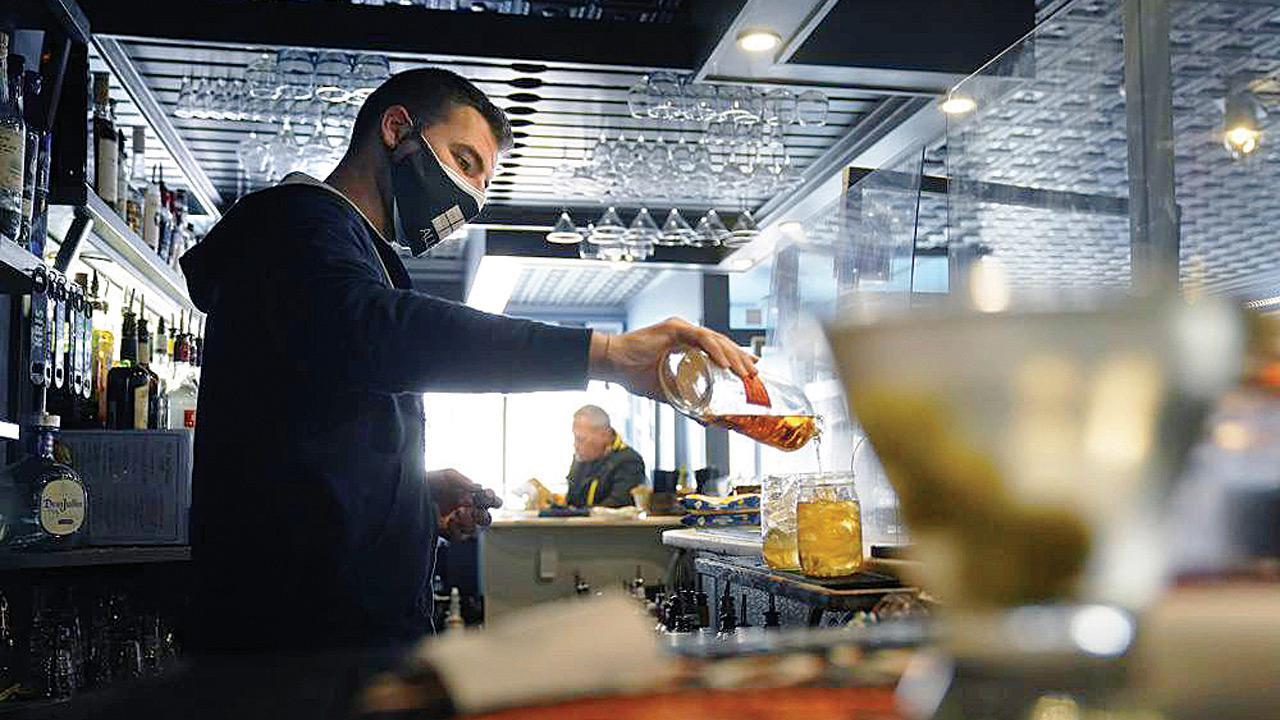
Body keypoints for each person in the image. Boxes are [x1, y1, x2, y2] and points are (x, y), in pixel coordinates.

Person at [181, 67, 756, 653]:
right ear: (396, 129)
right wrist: (604, 353)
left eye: (483, 177)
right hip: (295, 645)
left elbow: (312, 431)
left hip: (347, 631)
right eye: (464, 160)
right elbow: (378, 333)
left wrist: (408, 496)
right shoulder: (298, 225)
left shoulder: (344, 251)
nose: (473, 194)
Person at [565, 405, 646, 508]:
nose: (575, 445)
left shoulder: (629, 461)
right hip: (582, 523)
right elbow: (571, 501)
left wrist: (578, 513)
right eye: (575, 438)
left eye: (581, 439)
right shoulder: (582, 458)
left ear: (604, 435)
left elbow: (615, 506)